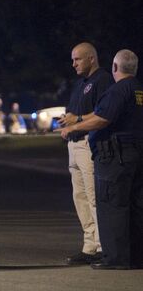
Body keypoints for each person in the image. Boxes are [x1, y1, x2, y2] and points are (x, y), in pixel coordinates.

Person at [59, 49, 142, 270]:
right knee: (131, 206)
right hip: (132, 153)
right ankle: (128, 255)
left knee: (110, 205)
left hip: (115, 155)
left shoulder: (115, 88)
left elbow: (103, 117)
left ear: (115, 68)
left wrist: (75, 125)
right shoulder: (137, 89)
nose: (74, 64)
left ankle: (112, 256)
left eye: (77, 59)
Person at [58, 42, 113, 265]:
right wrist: (68, 119)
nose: (73, 64)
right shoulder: (80, 83)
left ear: (91, 58)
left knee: (93, 197)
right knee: (79, 198)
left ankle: (102, 246)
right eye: (72, 59)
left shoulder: (103, 80)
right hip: (74, 145)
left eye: (77, 59)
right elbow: (75, 111)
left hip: (88, 144)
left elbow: (104, 112)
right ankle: (89, 245)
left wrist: (77, 120)